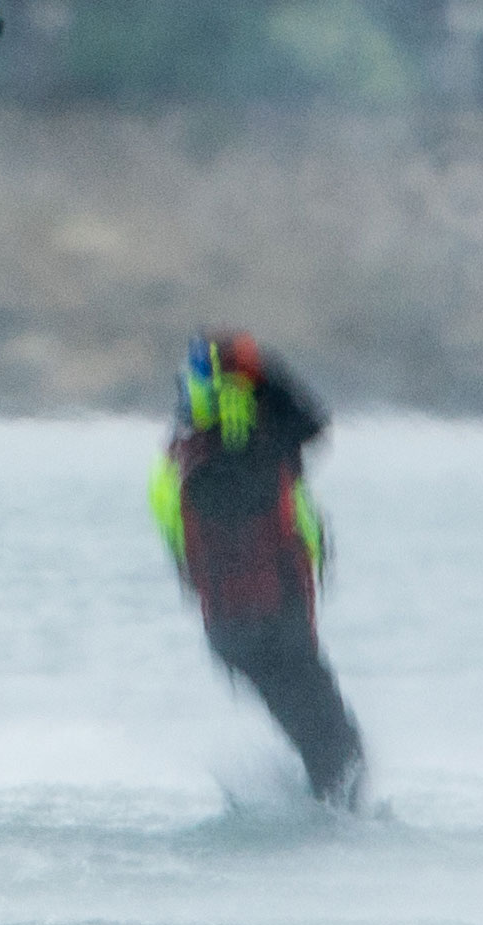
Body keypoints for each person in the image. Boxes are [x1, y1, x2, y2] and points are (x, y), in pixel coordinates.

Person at [152, 329, 366, 808]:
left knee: (327, 745)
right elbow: (309, 424)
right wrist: (262, 374)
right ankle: (324, 834)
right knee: (341, 751)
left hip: (234, 628)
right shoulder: (245, 458)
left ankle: (293, 807)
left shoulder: (177, 464)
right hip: (271, 619)